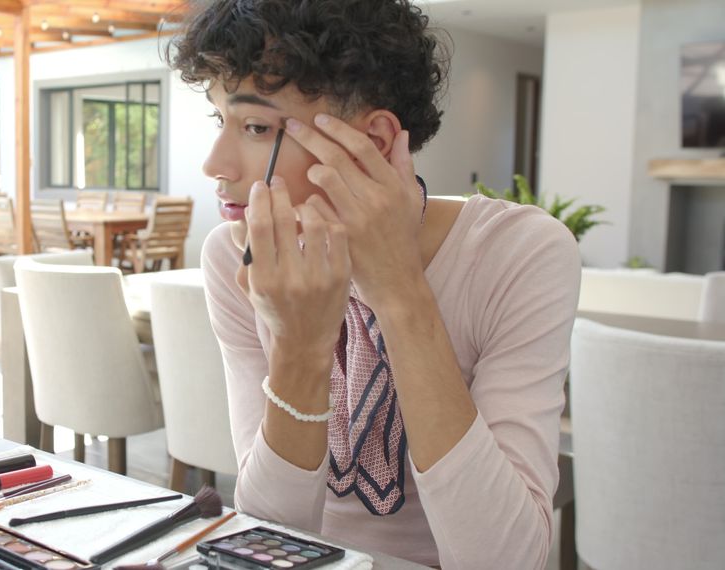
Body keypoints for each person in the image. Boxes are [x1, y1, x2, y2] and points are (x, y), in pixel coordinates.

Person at [166, 1, 581, 568]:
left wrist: (398, 289)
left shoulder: (517, 253)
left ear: (377, 141)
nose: (215, 162)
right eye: (221, 120)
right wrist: (300, 349)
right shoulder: (236, 258)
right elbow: (266, 533)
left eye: (257, 126)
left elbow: (504, 560)